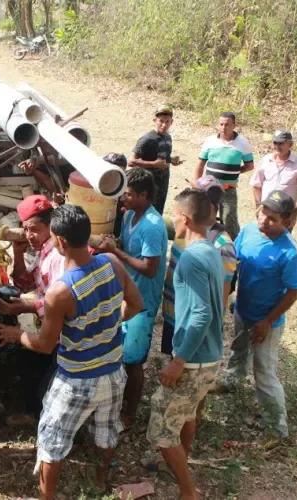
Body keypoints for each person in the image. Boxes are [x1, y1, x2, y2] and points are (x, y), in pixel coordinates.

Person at [0, 204, 143, 500]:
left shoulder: (61, 291)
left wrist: (17, 334)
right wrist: (106, 320)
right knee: (106, 431)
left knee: (51, 441)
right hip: (113, 370)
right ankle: (99, 482)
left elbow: (45, 344)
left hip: (76, 379)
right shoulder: (111, 262)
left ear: (59, 241)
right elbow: (134, 305)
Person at [146, 188, 225, 500]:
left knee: (161, 429)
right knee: (187, 413)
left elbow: (202, 313)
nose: (173, 220)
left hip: (194, 360)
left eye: (175, 215)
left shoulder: (191, 257)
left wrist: (179, 360)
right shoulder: (211, 249)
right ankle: (182, 465)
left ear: (186, 218)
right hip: (209, 356)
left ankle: (188, 491)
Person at [219, 190, 297, 444]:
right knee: (238, 349)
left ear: (287, 221)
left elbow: (294, 291)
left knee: (264, 373)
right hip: (243, 309)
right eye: (262, 213)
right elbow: (235, 263)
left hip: (267, 320)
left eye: (272, 219)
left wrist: (267, 321)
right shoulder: (248, 231)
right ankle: (232, 381)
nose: (263, 221)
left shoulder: (290, 252)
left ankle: (277, 429)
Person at [94, 168, 167, 431]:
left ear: (144, 196)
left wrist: (116, 253)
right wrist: (116, 245)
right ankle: (116, 402)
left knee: (134, 361)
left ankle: (130, 412)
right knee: (120, 351)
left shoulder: (153, 226)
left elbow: (149, 267)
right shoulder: (129, 216)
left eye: (129, 194)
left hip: (143, 302)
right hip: (125, 295)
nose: (123, 198)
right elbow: (126, 248)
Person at [0, 195, 65, 428]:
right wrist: (17, 253)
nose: (29, 236)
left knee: (46, 371)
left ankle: (44, 418)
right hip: (46, 323)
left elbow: (60, 303)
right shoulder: (43, 250)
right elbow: (25, 283)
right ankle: (33, 411)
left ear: (51, 226)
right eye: (25, 230)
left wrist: (27, 306)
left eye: (34, 230)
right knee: (29, 362)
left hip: (61, 330)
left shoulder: (57, 256)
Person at [161, 175, 237, 357]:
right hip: (173, 317)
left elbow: (220, 297)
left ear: (207, 206)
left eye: (194, 194)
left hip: (192, 326)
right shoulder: (185, 228)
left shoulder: (222, 246)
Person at [194, 111, 255, 240]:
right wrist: (197, 185)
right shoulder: (210, 141)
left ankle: (233, 250)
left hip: (228, 190)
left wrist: (233, 173)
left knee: (229, 221)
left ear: (234, 125)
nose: (223, 127)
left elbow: (249, 166)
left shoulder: (243, 143)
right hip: (208, 189)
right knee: (206, 219)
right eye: (221, 124)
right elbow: (200, 165)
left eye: (227, 124)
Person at [251, 130, 297, 232]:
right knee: (262, 238)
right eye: (275, 143)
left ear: (290, 144)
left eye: (281, 143)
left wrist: (295, 212)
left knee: (281, 241)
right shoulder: (266, 160)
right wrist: (259, 206)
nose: (277, 146)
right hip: (266, 210)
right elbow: (256, 184)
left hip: (284, 214)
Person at [128, 104, 185, 215]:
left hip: (162, 184)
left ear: (171, 122)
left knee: (158, 212)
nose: (164, 125)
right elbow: (130, 161)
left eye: (167, 121)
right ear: (155, 120)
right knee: (145, 214)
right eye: (161, 121)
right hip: (148, 186)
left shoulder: (168, 137)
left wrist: (171, 160)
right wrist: (154, 164)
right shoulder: (147, 139)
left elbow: (161, 158)